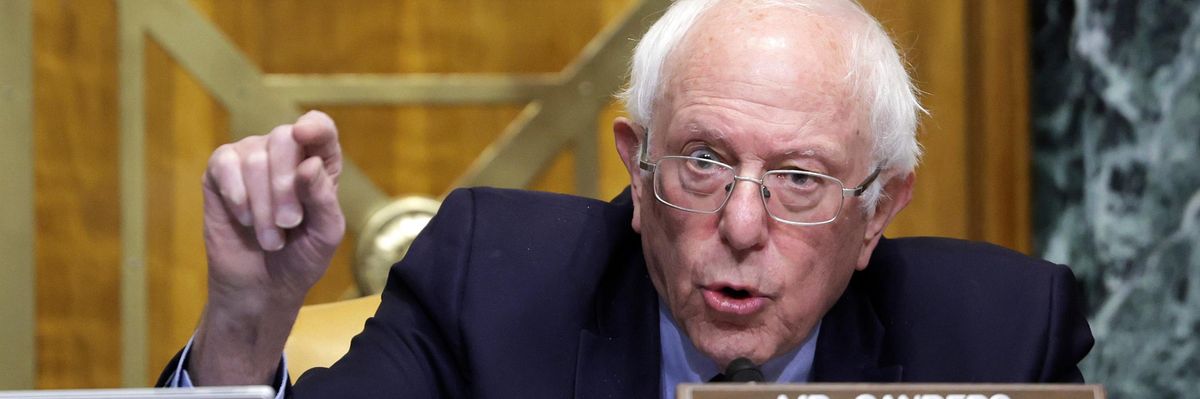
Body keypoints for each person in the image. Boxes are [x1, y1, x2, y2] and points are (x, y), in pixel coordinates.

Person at [159, 0, 1094, 397]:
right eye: (702, 161)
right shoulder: (489, 282)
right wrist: (246, 319)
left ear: (878, 210)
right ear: (637, 172)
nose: (740, 225)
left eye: (800, 180)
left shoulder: (1003, 333)